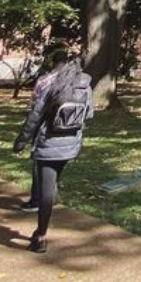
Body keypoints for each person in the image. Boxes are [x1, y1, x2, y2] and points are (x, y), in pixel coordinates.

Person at [12, 56, 94, 253]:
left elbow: (35, 116)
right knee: (52, 183)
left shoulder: (52, 85)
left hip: (48, 144)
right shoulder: (85, 86)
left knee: (46, 191)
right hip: (71, 145)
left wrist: (21, 142)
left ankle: (40, 236)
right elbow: (89, 114)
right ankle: (46, 211)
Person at [16, 49, 68, 213]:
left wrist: (21, 141)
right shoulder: (75, 81)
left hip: (44, 126)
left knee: (40, 164)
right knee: (57, 163)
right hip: (67, 127)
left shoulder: (45, 80)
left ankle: (37, 200)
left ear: (53, 62)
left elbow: (35, 105)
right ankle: (51, 196)